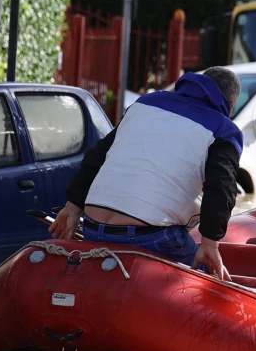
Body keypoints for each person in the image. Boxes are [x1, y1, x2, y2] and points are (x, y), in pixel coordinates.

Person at [48, 67, 244, 280]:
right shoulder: (224, 130)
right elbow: (222, 187)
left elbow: (97, 156)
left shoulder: (145, 103)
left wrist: (72, 207)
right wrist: (209, 243)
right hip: (150, 237)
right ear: (231, 105)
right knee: (209, 282)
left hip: (93, 228)